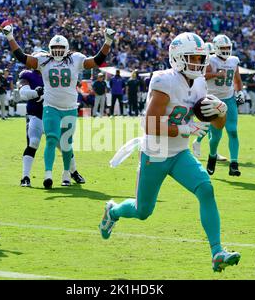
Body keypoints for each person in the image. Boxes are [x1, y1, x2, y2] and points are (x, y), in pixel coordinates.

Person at [99, 32, 240, 273]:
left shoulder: (200, 82)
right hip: (156, 150)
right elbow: (150, 124)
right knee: (143, 211)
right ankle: (113, 211)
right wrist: (187, 128)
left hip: (179, 153)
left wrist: (221, 111)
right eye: (193, 57)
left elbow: (217, 124)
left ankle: (217, 252)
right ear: (177, 58)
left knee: (206, 188)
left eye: (201, 57)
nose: (199, 62)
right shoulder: (165, 81)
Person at [0, 21, 115, 188]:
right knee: (46, 141)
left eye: (61, 48)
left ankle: (68, 174)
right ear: (49, 49)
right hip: (46, 109)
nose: (58, 52)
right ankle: (40, 175)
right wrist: (10, 37)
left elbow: (97, 61)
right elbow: (22, 57)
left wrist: (108, 42)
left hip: (68, 108)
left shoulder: (75, 59)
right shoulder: (42, 62)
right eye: (55, 48)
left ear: (67, 48)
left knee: (66, 144)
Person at [17, 65, 85, 187]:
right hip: (36, 116)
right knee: (33, 143)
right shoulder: (28, 75)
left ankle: (73, 172)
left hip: (54, 116)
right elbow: (23, 92)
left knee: (64, 145)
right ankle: (25, 176)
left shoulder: (54, 72)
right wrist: (35, 92)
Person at [203, 34, 245, 176]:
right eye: (223, 48)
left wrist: (240, 92)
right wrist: (216, 74)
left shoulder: (233, 61)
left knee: (233, 131)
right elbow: (203, 75)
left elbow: (237, 80)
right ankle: (212, 155)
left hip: (229, 99)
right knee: (216, 136)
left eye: (228, 47)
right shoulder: (210, 59)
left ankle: (234, 163)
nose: (226, 50)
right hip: (213, 100)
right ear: (216, 48)